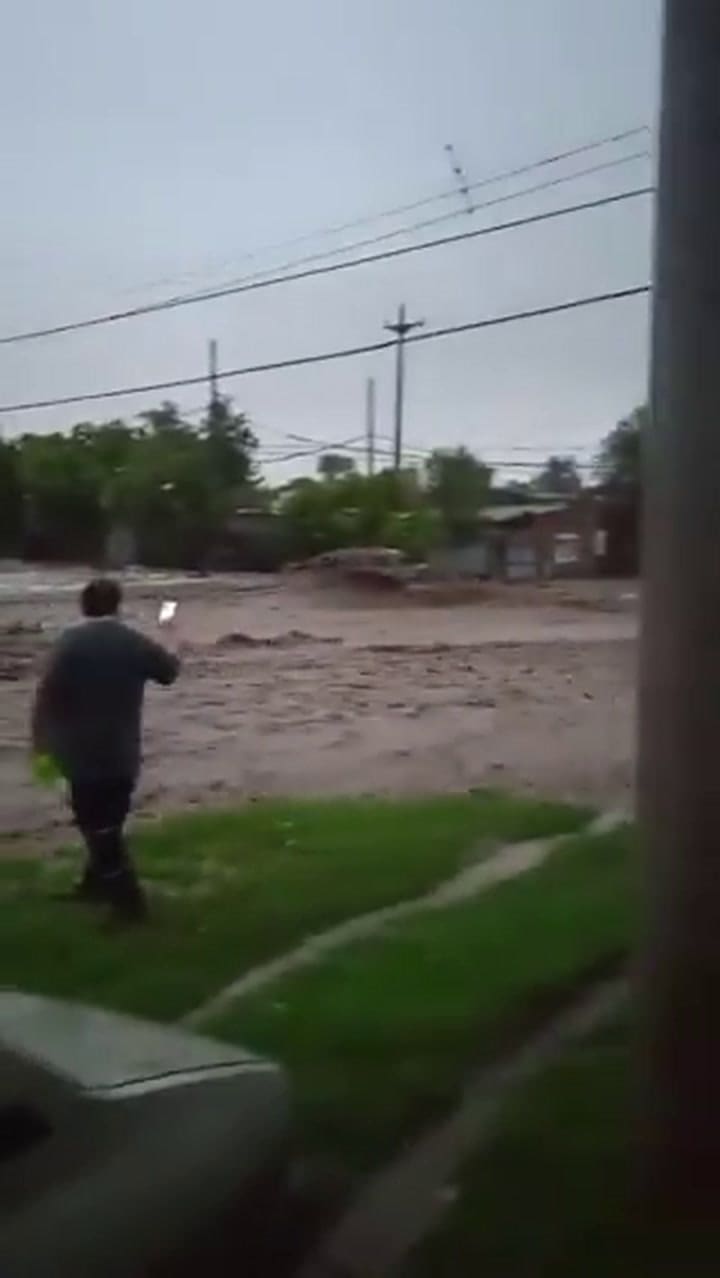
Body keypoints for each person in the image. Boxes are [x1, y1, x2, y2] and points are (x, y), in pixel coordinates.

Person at [31, 577, 181, 923]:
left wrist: (40, 746)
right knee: (108, 822)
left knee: (96, 826)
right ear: (118, 605)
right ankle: (97, 883)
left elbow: (46, 698)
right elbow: (169, 672)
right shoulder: (132, 642)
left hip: (78, 753)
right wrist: (171, 637)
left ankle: (128, 902)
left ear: (83, 605)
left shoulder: (69, 643)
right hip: (122, 752)